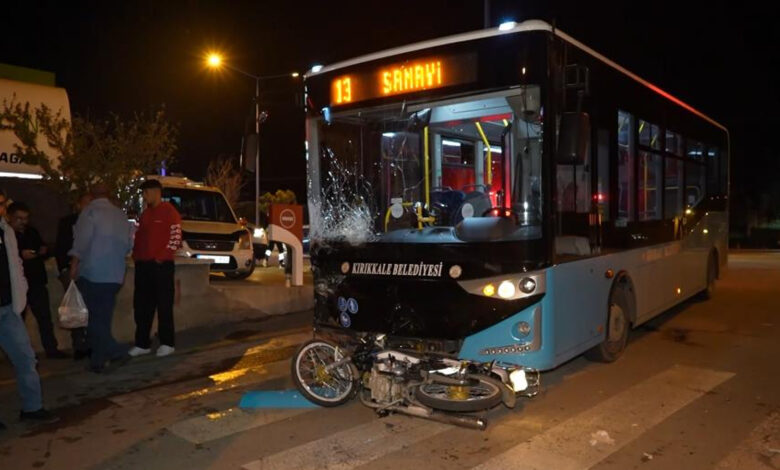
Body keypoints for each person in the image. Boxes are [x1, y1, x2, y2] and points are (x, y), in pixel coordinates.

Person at [0, 190, 58, 426]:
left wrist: (20, 295)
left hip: (8, 307)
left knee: (26, 358)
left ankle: (32, 408)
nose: (2, 208)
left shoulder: (6, 231)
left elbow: (16, 266)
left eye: (2, 203)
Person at [69, 184, 133, 373]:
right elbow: (128, 245)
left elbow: (81, 242)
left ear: (90, 194)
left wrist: (74, 263)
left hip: (93, 272)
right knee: (102, 317)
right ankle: (98, 360)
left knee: (94, 320)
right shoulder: (120, 215)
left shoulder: (89, 213)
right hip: (115, 274)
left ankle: (115, 351)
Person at [7, 202, 68, 359]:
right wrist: (21, 255)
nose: (23, 222)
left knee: (44, 318)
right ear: (10, 217)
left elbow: (44, 249)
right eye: (19, 218)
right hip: (16, 284)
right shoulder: (7, 235)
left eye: (26, 218)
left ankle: (51, 349)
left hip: (36, 281)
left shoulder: (31, 232)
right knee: (16, 321)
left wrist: (42, 251)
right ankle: (16, 354)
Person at [129, 179, 181, 358]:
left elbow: (175, 238)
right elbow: (139, 237)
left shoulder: (169, 211)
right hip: (143, 265)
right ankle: (142, 343)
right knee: (142, 306)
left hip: (160, 266)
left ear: (156, 192)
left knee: (164, 305)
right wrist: (136, 257)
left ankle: (167, 342)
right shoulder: (145, 214)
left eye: (146, 192)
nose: (144, 196)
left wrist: (161, 258)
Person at [55, 193, 93, 360]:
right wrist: (65, 268)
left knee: (89, 309)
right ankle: (79, 346)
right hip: (72, 270)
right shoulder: (68, 222)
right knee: (75, 310)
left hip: (90, 271)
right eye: (86, 203)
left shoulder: (94, 222)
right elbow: (62, 246)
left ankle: (90, 343)